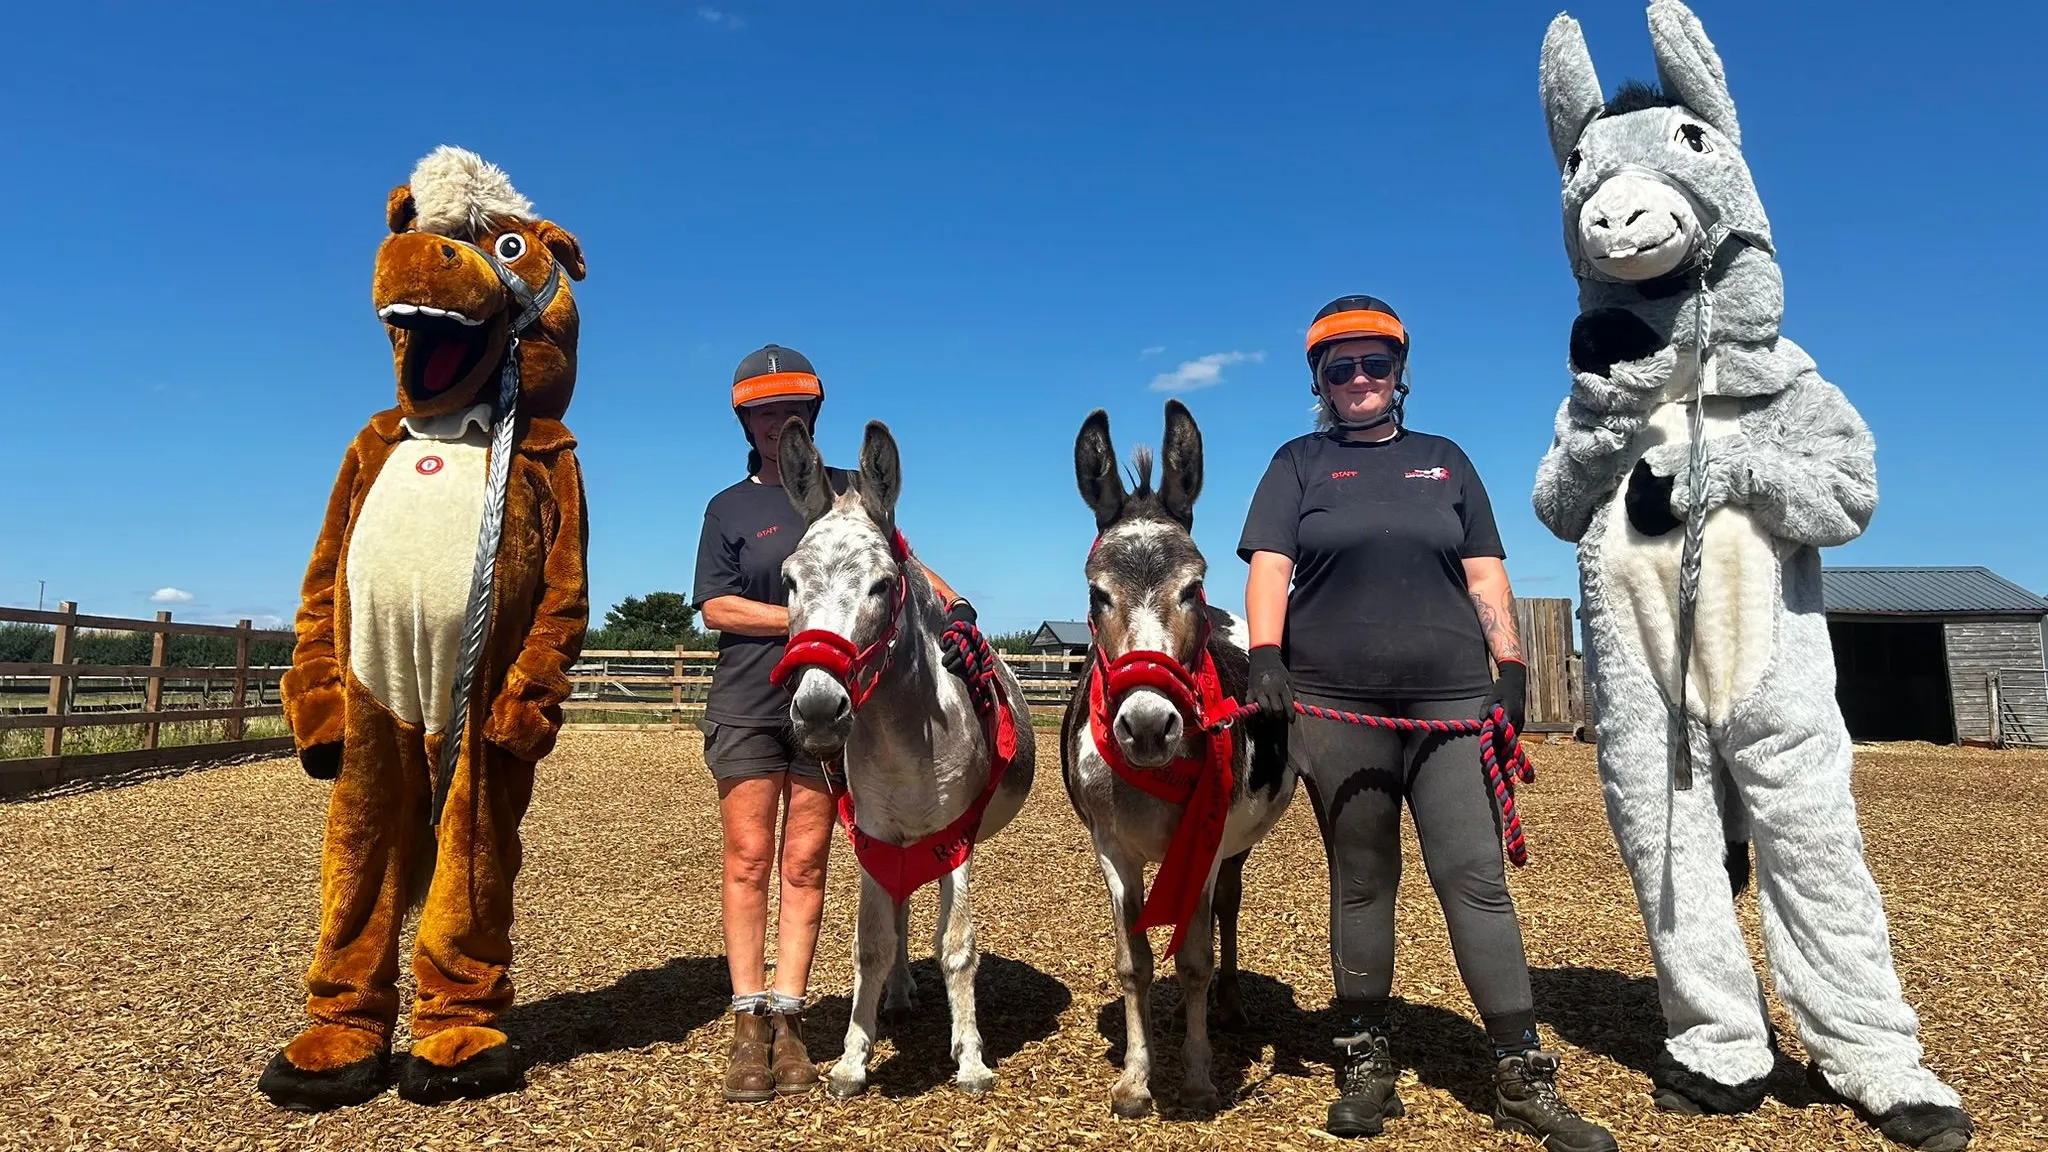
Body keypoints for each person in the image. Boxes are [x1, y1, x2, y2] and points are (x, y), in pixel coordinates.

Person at [1235, 296, 1614, 1150]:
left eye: (1375, 363)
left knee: (1474, 878)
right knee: (1363, 881)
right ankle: (1366, 1058)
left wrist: (1510, 666)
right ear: (1321, 385)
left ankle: (1520, 1071)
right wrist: (1266, 653)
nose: (1360, 379)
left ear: (1401, 372)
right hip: (1338, 710)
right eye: (1341, 369)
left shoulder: (1447, 463)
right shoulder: (1297, 464)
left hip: (1449, 708)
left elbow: (1485, 575)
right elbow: (1270, 567)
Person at [692, 343, 979, 1102]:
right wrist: (815, 619)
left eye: (789, 410)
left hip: (842, 703)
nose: (775, 422)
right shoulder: (731, 507)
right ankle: (748, 1018)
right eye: (761, 411)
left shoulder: (854, 491)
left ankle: (791, 1018)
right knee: (750, 859)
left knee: (809, 862)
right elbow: (716, 606)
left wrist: (958, 608)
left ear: (811, 417)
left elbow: (904, 567)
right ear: (745, 421)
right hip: (754, 699)